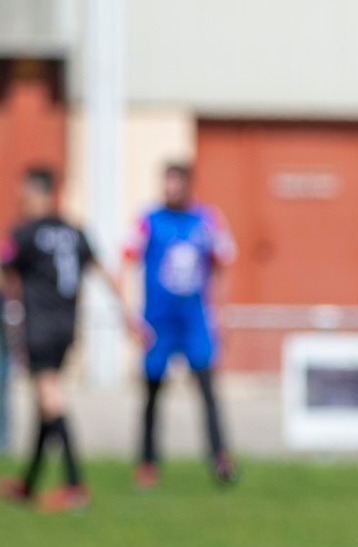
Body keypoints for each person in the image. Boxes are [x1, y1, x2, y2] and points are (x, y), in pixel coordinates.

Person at [1, 167, 116, 510]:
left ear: (42, 195)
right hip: (67, 327)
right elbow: (102, 271)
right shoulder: (75, 231)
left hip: (39, 325)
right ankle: (29, 482)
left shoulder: (24, 234)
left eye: (26, 194)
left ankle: (74, 483)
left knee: (51, 399)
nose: (22, 201)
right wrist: (127, 314)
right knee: (43, 403)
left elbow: (5, 271)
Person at [125, 161, 237, 487]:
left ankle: (219, 457)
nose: (169, 190)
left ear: (189, 185)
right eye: (166, 183)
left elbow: (223, 265)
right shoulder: (148, 220)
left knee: (207, 391)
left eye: (176, 183)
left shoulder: (207, 220)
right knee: (152, 393)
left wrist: (222, 315)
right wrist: (129, 316)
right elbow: (125, 260)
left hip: (195, 321)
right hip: (158, 322)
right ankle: (147, 462)